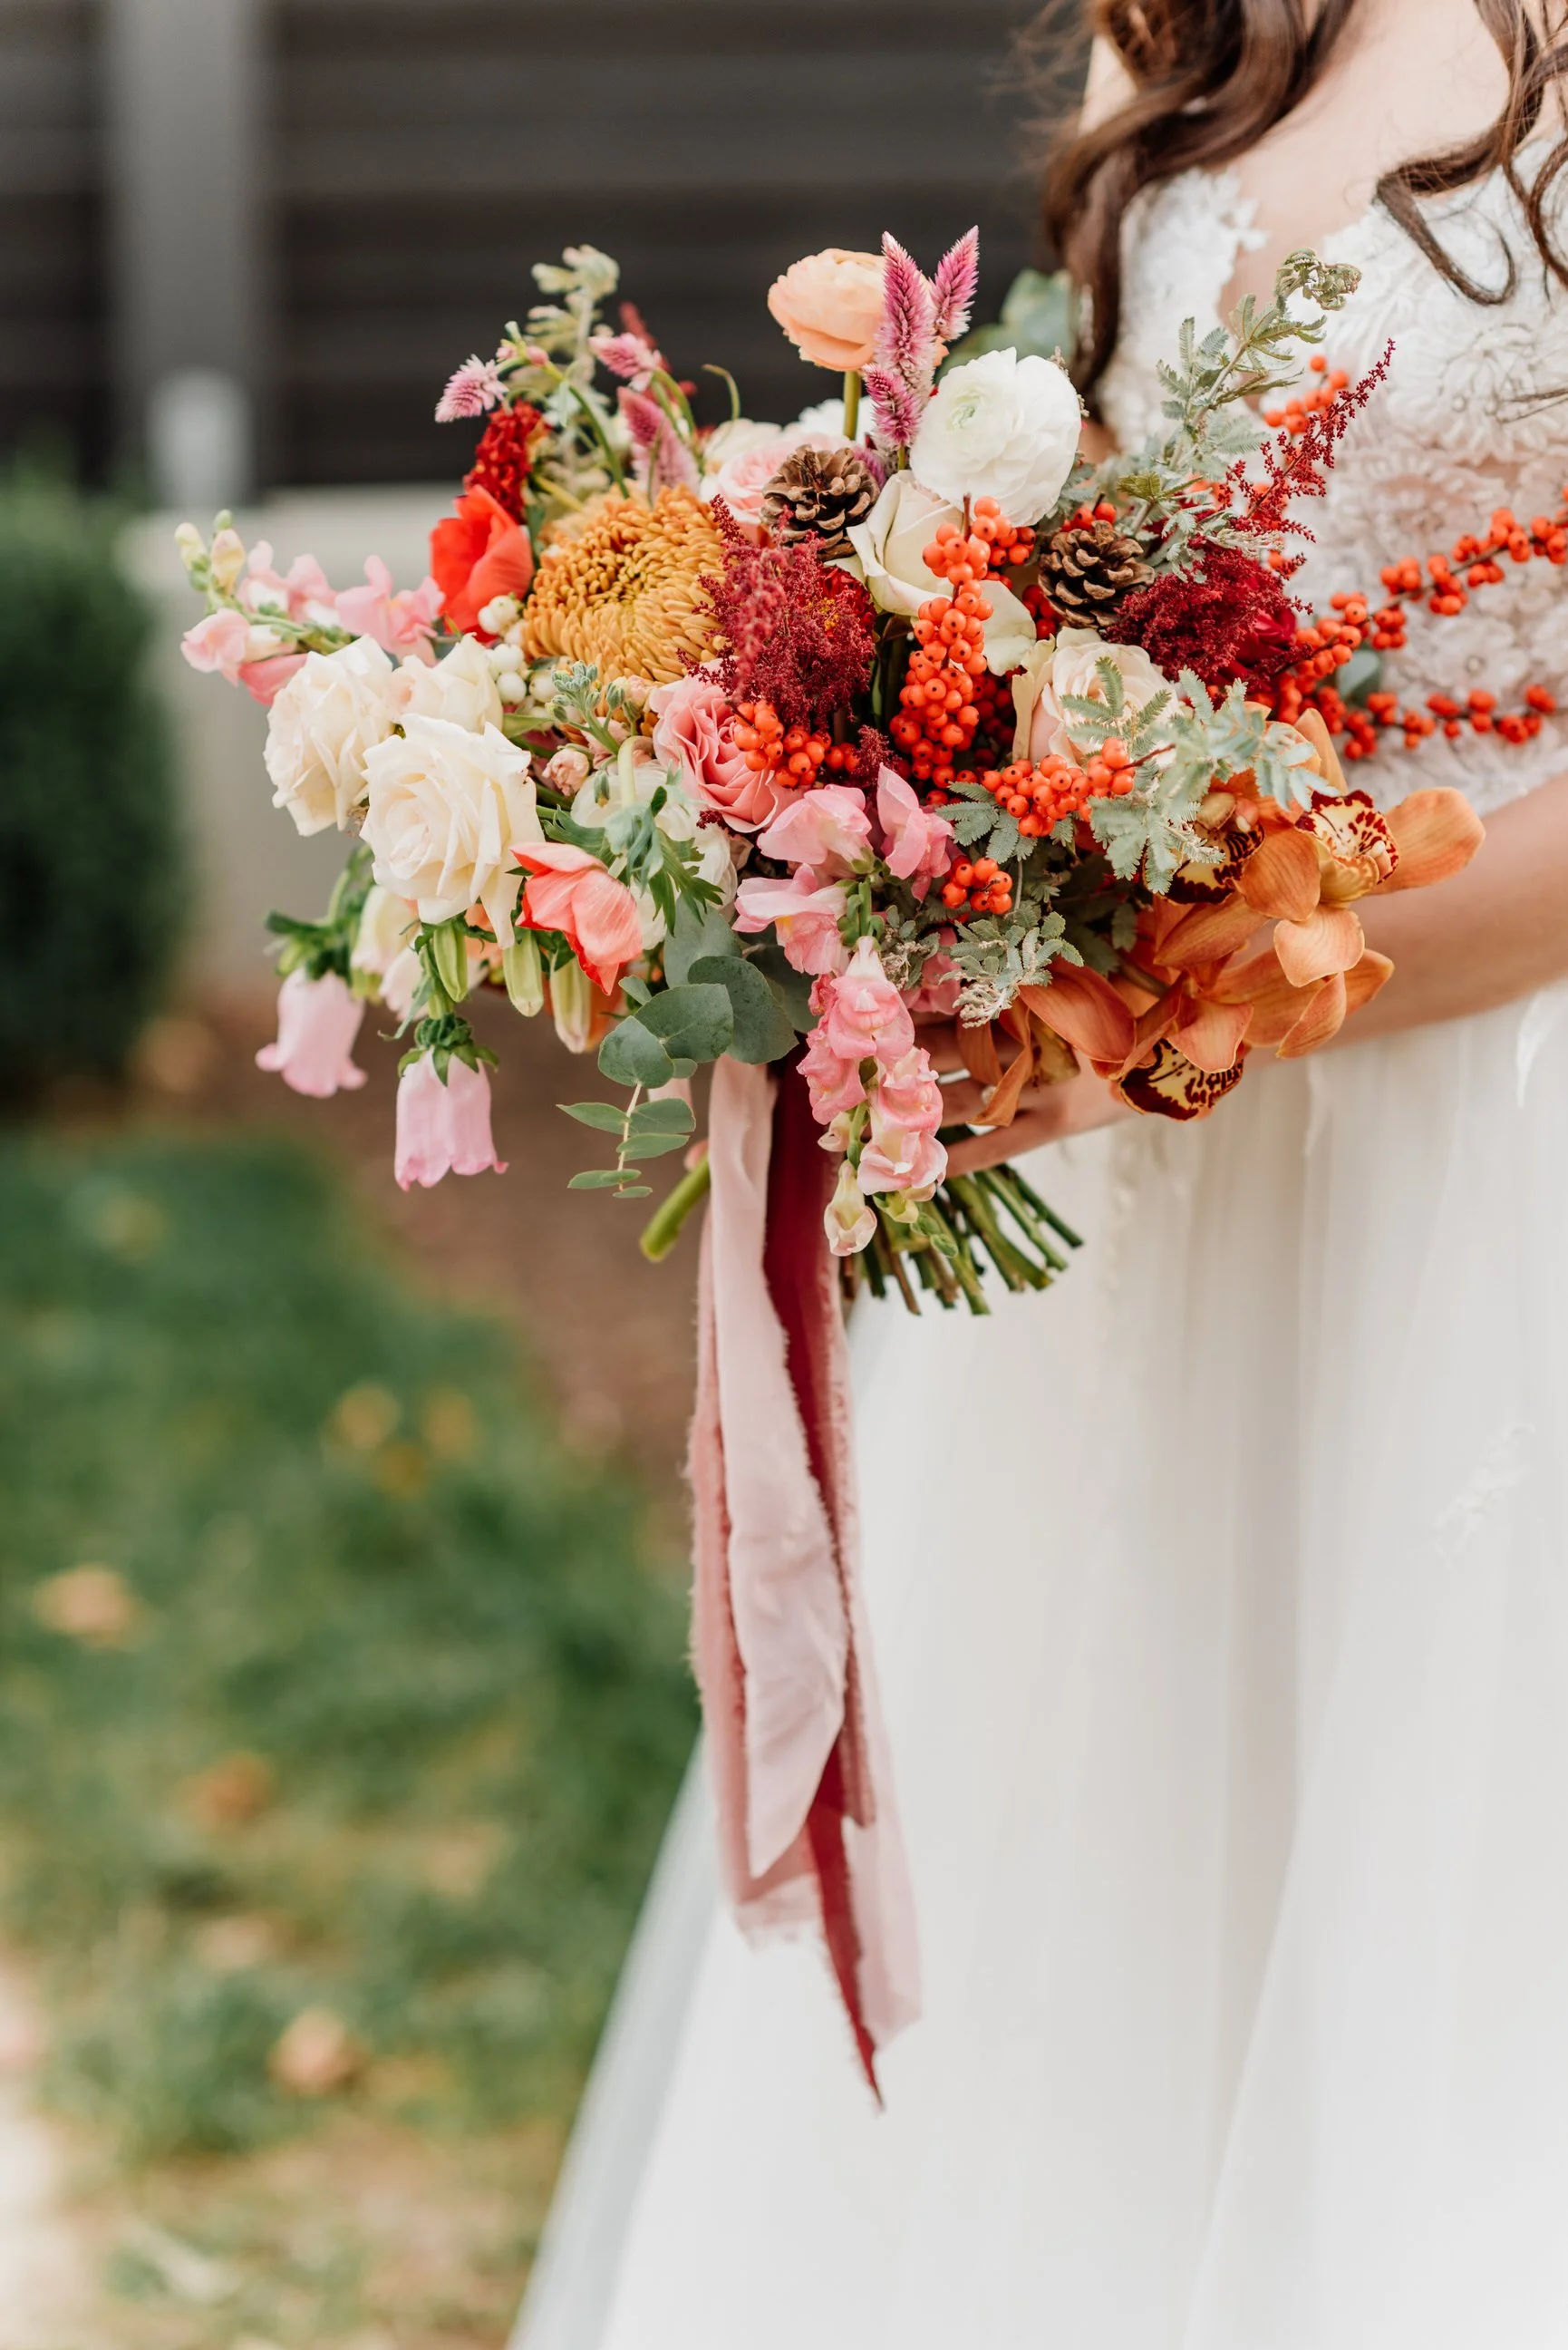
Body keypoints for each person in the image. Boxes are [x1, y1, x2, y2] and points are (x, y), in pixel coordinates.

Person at [517, 5, 1568, 2342]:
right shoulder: (1189, 23)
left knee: (1458, 1916)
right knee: (1110, 1881)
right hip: (1149, 1155)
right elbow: (1069, 537)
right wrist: (873, 811)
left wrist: (1226, 994)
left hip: (1490, 1131)